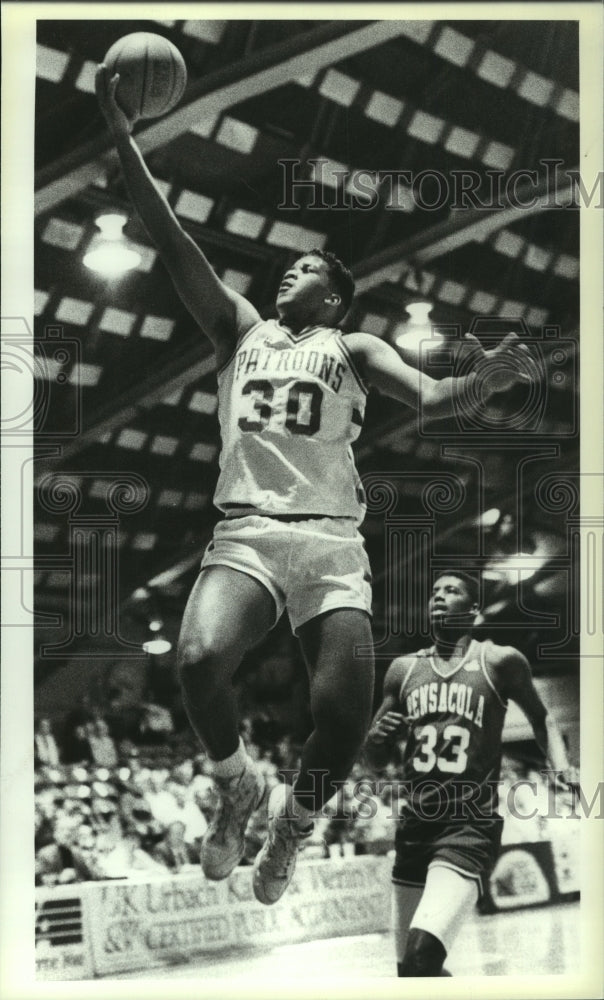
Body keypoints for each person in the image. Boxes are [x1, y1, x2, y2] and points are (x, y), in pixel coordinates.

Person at [95, 65, 533, 907]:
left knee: (343, 716)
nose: (283, 276)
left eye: (301, 270)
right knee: (195, 660)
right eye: (284, 270)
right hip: (251, 531)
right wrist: (121, 133)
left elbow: (437, 396)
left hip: (331, 544)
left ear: (332, 295)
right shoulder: (239, 331)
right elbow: (169, 233)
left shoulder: (353, 349)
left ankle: (291, 830)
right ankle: (237, 787)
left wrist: (488, 381)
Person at [365, 570, 578, 976]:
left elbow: (542, 718)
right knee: (410, 973)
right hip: (414, 827)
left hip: (467, 827)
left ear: (475, 610)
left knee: (422, 958)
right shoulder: (403, 670)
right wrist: (376, 739)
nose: (438, 597)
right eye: (434, 591)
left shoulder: (499, 661)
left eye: (452, 590)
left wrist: (561, 766)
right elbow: (375, 759)